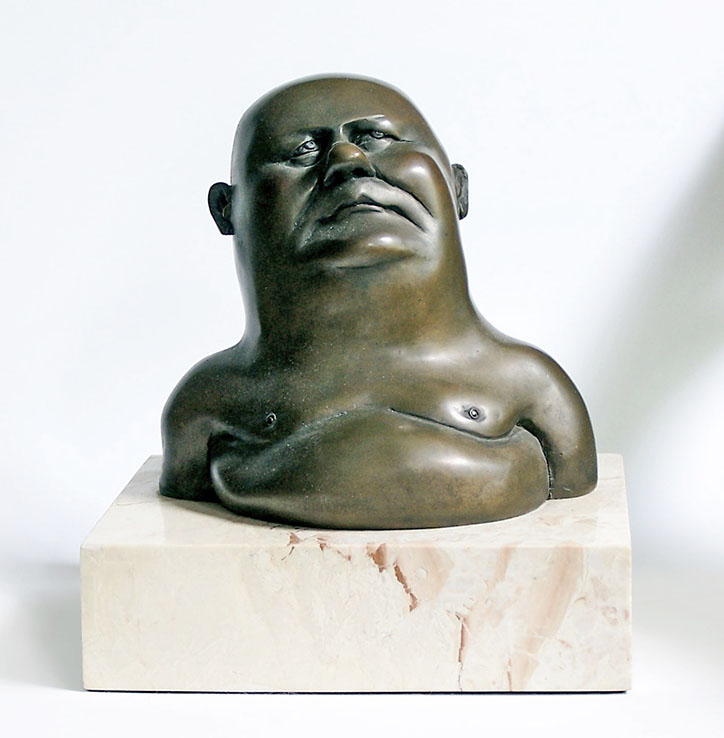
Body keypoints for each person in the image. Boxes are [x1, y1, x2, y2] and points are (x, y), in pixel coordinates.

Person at [160, 75, 597, 529]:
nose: (347, 160)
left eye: (376, 137)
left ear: (458, 187)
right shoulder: (208, 407)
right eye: (303, 151)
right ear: (226, 209)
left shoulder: (533, 390)